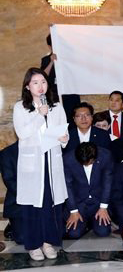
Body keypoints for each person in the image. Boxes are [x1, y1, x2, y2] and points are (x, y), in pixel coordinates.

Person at [13, 68, 69, 261]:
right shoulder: (20, 107)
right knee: (32, 207)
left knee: (50, 205)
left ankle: (48, 242)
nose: (40, 86)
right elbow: (22, 133)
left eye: (43, 82)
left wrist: (64, 138)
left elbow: (63, 132)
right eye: (35, 83)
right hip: (33, 165)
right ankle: (34, 245)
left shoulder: (56, 106)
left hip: (51, 162)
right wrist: (39, 115)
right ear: (27, 87)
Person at [63, 142, 113, 239]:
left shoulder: (105, 155)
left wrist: (103, 207)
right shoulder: (68, 159)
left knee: (103, 232)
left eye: (89, 163)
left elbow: (107, 183)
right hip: (79, 203)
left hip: (98, 202)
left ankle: (93, 223)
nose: (86, 165)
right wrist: (73, 211)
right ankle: (85, 224)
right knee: (74, 234)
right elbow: (68, 186)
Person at [1, 141, 24, 244]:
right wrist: (30, 196)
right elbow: (9, 180)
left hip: (44, 204)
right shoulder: (7, 153)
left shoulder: (45, 149)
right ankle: (13, 224)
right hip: (19, 202)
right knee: (23, 238)